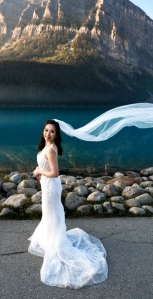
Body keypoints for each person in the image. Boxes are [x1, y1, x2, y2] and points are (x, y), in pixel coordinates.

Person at [28, 120, 108, 289]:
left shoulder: (50, 149)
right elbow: (45, 167)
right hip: (46, 184)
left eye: (52, 132)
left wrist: (39, 171)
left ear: (56, 135)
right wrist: (40, 173)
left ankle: (55, 241)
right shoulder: (45, 147)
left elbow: (55, 173)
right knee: (49, 213)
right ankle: (50, 237)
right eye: (46, 130)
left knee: (52, 213)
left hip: (51, 187)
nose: (48, 134)